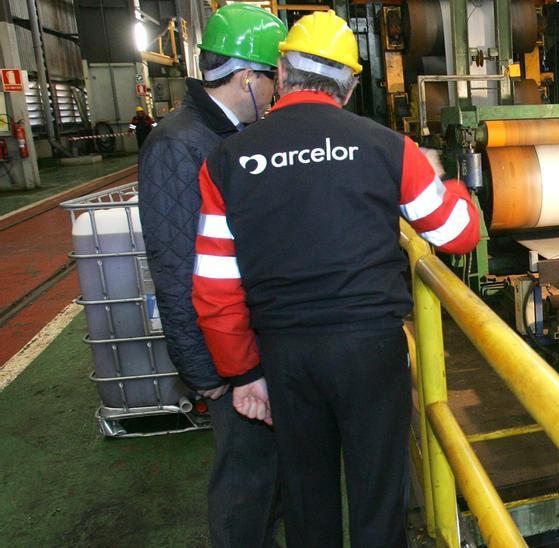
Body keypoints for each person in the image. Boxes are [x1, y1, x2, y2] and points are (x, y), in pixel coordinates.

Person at [191, 10, 480, 547]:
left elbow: (214, 287)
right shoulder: (386, 147)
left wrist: (243, 373)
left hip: (286, 357)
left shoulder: (226, 161)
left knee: (307, 497)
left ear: (281, 77)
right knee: (376, 494)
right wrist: (457, 186)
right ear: (347, 88)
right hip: (370, 351)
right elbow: (457, 233)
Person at [135, 4, 287, 547]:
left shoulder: (223, 135)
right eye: (274, 78)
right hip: (225, 359)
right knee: (245, 489)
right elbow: (176, 269)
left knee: (269, 480)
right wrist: (209, 374)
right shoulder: (180, 145)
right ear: (248, 77)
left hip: (245, 346)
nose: (276, 93)